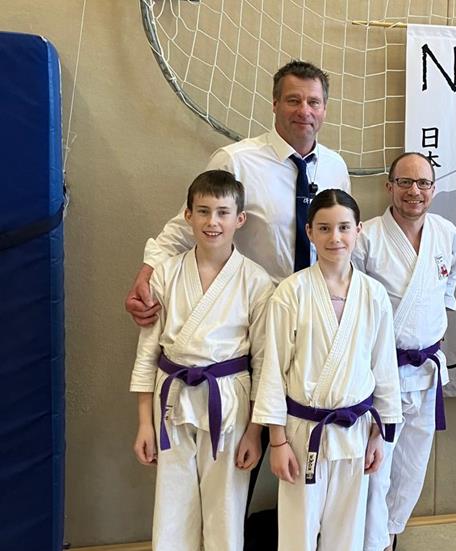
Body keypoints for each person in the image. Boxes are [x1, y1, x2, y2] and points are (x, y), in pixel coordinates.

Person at [124, 59, 351, 509]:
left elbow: (340, 239)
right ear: (274, 104)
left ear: (325, 109)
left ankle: (305, 533)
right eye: (293, 100)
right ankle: (229, 533)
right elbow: (186, 226)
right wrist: (147, 272)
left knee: (308, 442)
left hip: (315, 320)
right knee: (242, 451)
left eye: (313, 102)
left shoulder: (335, 166)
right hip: (255, 320)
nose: (304, 111)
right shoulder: (237, 159)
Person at [130, 170, 273, 550]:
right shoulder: (165, 274)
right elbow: (147, 353)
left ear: (239, 219)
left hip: (229, 400)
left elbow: (263, 363)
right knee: (172, 504)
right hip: (170, 397)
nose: (213, 222)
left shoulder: (256, 281)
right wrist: (144, 424)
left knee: (225, 507)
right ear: (188, 216)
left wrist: (254, 432)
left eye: (223, 213)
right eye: (204, 211)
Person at [252, 189, 402, 551]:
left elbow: (384, 369)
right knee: (297, 533)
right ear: (310, 232)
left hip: (355, 430)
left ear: (358, 230)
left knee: (347, 533)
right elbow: (273, 370)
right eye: (324, 228)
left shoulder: (373, 294)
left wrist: (379, 435)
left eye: (344, 227)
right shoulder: (291, 292)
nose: (335, 237)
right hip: (303, 433)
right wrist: (277, 442)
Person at [356, 152, 456, 551]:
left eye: (423, 183)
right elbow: (350, 302)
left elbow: (451, 277)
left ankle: (389, 535)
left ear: (433, 189)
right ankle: (369, 541)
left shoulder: (446, 234)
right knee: (375, 465)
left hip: (427, 370)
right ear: (389, 187)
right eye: (405, 182)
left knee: (413, 464)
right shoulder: (366, 237)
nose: (414, 191)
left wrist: (436, 315)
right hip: (382, 372)